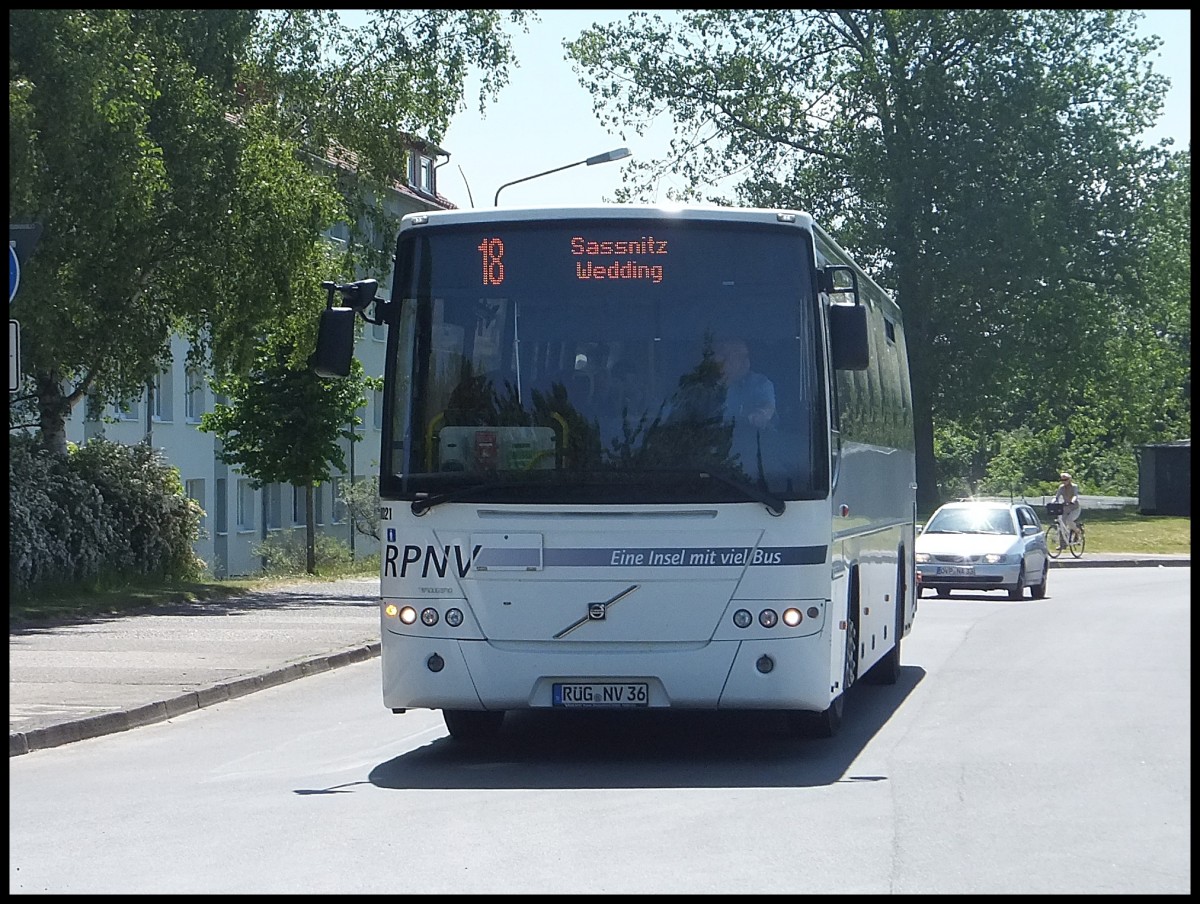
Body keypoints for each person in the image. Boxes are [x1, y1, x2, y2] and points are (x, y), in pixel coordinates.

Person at [714, 337, 776, 429]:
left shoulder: (759, 383)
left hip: (755, 440)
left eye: (746, 356)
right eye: (738, 356)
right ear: (721, 359)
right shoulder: (702, 387)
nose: (745, 361)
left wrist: (761, 414)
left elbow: (767, 407)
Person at [1053, 471, 1082, 543]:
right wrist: (1053, 502)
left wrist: (1072, 501)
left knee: (1069, 520)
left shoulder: (1074, 486)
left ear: (1069, 480)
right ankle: (1062, 543)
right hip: (1065, 507)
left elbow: (1075, 495)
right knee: (1062, 524)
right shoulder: (1061, 488)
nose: (1063, 482)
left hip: (1074, 508)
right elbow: (1056, 497)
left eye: (1065, 480)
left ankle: (1077, 531)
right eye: (1062, 480)